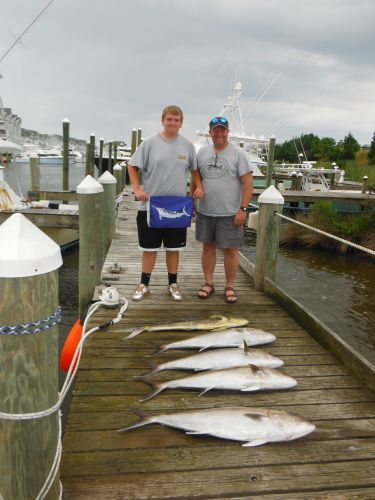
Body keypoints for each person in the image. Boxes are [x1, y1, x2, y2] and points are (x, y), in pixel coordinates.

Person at [127, 105, 204, 301]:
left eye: (176, 120)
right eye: (169, 119)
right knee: (149, 249)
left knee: (173, 248)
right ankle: (144, 284)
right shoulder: (150, 143)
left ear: (181, 123)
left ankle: (173, 284)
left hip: (177, 205)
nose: (172, 123)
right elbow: (132, 166)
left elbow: (195, 170)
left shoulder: (187, 146)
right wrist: (137, 189)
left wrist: (198, 187)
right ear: (163, 120)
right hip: (150, 205)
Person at [192, 116, 253, 304]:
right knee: (207, 247)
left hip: (230, 212)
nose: (219, 133)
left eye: (222, 130)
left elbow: (248, 184)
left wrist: (242, 209)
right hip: (205, 211)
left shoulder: (239, 154)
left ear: (228, 132)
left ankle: (229, 286)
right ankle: (208, 283)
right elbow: (196, 176)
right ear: (210, 132)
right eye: (215, 130)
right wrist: (194, 196)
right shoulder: (201, 152)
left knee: (231, 250)